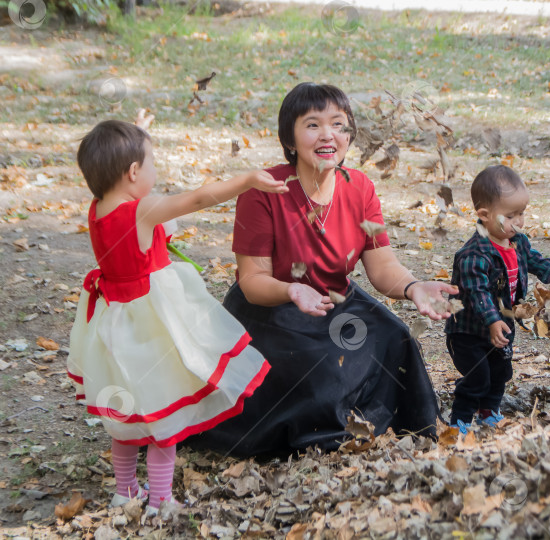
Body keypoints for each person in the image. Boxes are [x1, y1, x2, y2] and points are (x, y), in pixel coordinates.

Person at [187, 82, 457, 458]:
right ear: (291, 139)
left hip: (333, 300)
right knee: (327, 367)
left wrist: (413, 287)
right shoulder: (263, 190)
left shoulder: (360, 188)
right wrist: (291, 291)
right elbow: (252, 282)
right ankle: (324, 439)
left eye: (338, 124)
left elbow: (381, 266)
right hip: (270, 309)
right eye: (312, 125)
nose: (328, 134)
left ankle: (389, 427)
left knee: (396, 337)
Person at [68, 119, 288, 514]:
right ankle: (161, 500)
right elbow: (198, 199)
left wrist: (136, 130)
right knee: (163, 419)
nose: (156, 170)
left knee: (129, 413)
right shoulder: (141, 211)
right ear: (133, 172)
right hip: (154, 330)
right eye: (152, 162)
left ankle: (125, 491)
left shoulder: (98, 209)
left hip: (114, 328)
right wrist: (247, 180)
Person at [445, 165, 550, 433]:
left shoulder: (517, 242)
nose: (519, 222)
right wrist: (491, 321)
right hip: (470, 331)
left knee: (501, 372)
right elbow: (476, 293)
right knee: (478, 376)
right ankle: (460, 419)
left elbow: (536, 260)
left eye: (522, 213)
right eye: (511, 216)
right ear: (484, 215)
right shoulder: (473, 255)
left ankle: (489, 411)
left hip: (503, 324)